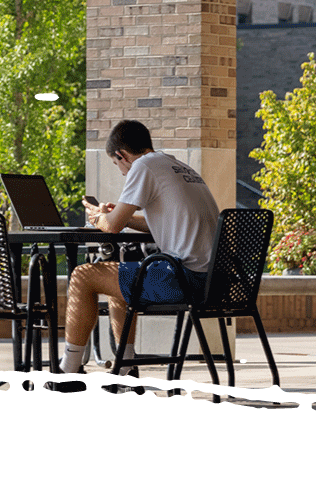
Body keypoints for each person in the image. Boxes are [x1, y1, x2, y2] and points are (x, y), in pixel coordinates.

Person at [59, 120, 220, 375]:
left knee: (83, 276)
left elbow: (111, 228)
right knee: (121, 276)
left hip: (183, 280)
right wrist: (120, 217)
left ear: (122, 155)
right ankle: (126, 368)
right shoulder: (176, 165)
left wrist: (98, 216)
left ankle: (67, 372)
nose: (122, 173)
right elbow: (162, 222)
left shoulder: (143, 166)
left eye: (116, 165)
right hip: (215, 281)